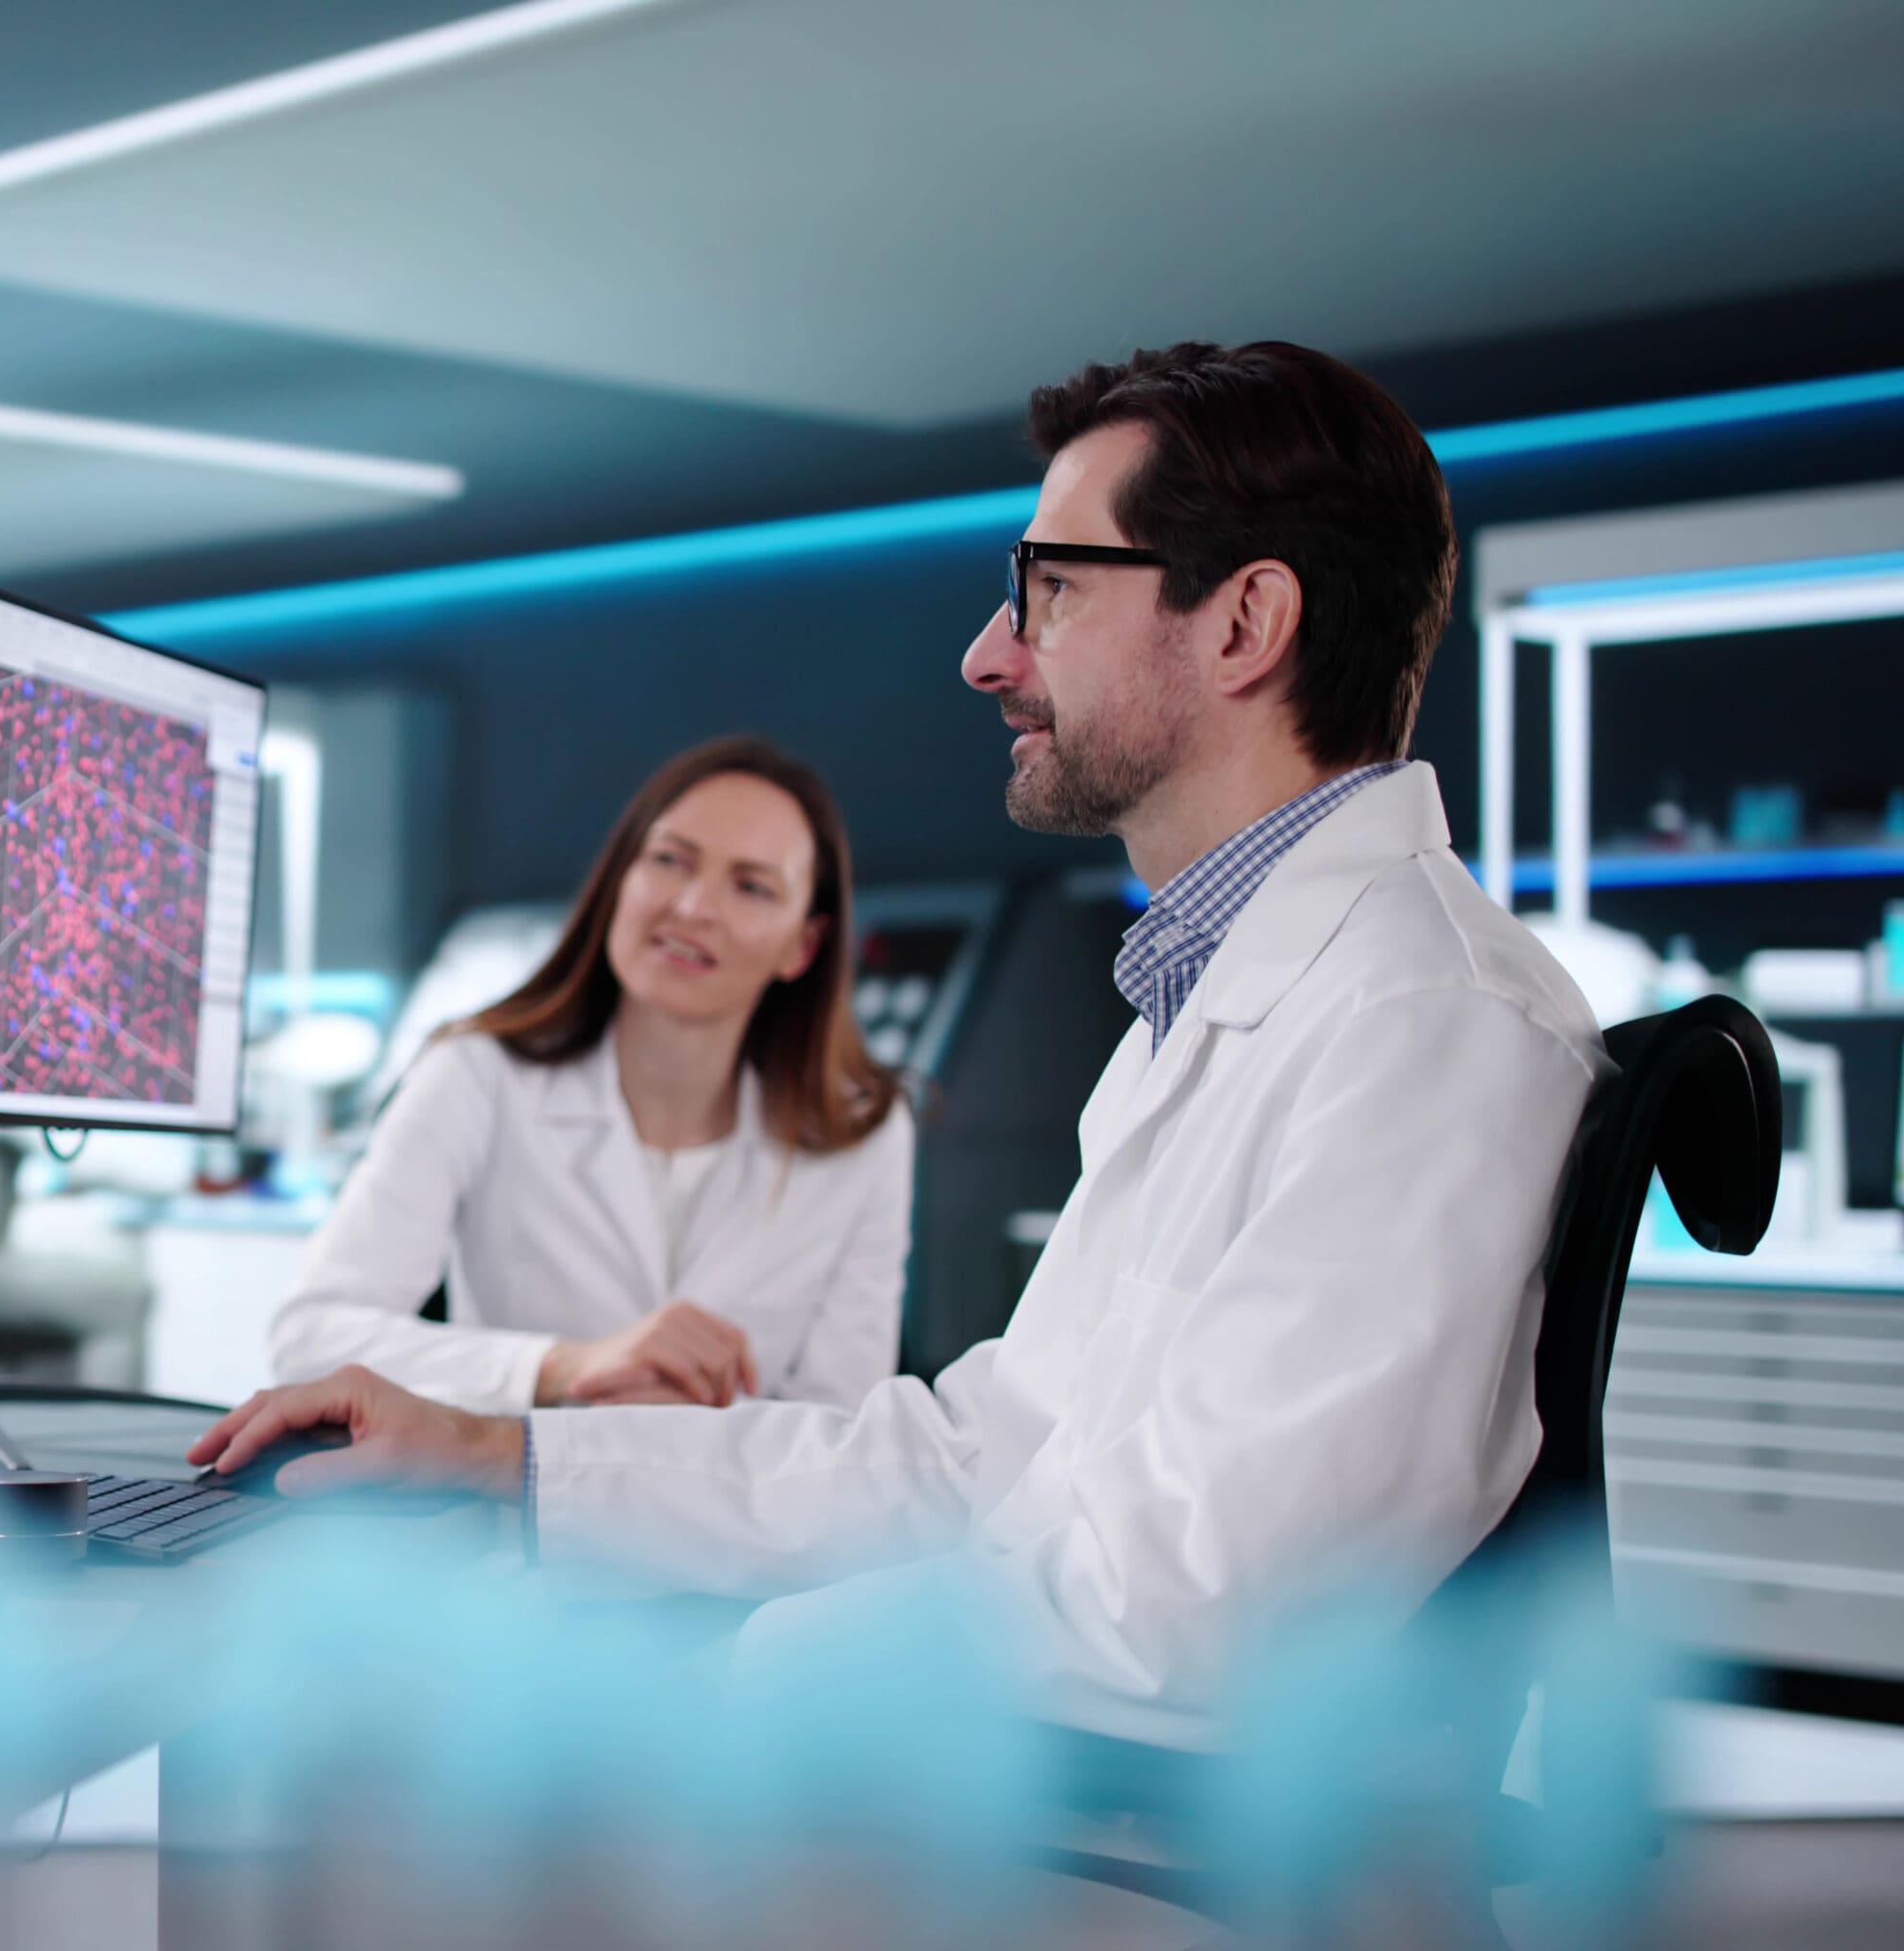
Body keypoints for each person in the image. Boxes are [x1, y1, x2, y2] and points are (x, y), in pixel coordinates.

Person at [192, 340, 1609, 1743]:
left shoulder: (1427, 1025)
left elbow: (1185, 1606)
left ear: (1243, 625)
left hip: (1145, 1810)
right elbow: (971, 1457)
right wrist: (504, 1452)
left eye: (1052, 590)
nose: (989, 655)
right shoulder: (1228, 1003)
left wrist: (714, 1683)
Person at [264, 736, 912, 1414]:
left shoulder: (864, 1135)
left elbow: (844, 1431)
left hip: (732, 1521)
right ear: (619, 881)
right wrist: (564, 1364)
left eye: (750, 886)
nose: (693, 906)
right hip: (504, 1510)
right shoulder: (476, 1076)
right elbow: (312, 1337)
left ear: (802, 945)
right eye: (669, 860)